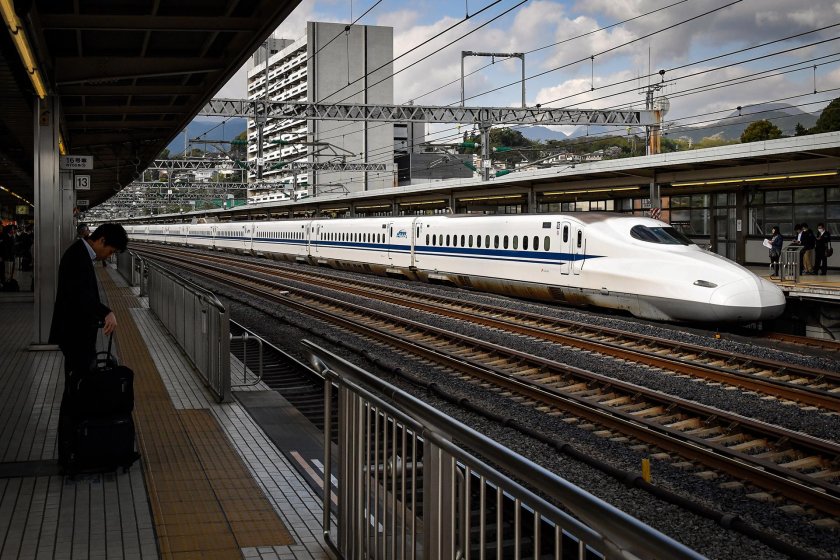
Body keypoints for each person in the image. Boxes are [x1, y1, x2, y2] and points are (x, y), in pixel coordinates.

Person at [49, 223, 128, 467]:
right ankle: (71, 451)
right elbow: (82, 296)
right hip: (75, 336)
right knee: (76, 391)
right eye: (111, 250)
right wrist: (106, 312)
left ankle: (75, 447)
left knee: (76, 389)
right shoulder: (78, 257)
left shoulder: (80, 254)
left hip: (75, 334)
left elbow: (83, 296)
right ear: (101, 240)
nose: (110, 255)